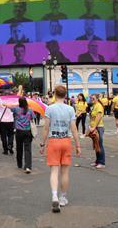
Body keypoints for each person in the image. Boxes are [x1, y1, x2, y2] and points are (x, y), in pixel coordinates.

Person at [39, 85, 81, 213]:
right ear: (65, 95)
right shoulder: (70, 109)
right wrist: (78, 145)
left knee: (54, 171)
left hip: (53, 141)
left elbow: (46, 128)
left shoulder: (49, 109)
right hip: (66, 141)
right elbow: (74, 129)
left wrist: (42, 144)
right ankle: (63, 198)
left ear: (55, 94)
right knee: (65, 172)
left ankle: (54, 195)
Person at [88, 94, 105, 169]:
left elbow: (98, 117)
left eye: (93, 98)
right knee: (96, 145)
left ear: (97, 99)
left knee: (99, 145)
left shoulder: (99, 106)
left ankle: (102, 162)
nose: (92, 99)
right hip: (94, 127)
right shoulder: (94, 106)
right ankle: (97, 161)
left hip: (98, 127)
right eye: (91, 98)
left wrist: (94, 127)